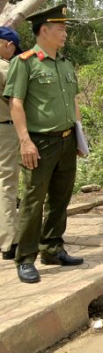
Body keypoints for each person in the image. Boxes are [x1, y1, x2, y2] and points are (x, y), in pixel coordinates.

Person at [3, 5, 85, 283]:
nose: (65, 33)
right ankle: (25, 259)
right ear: (44, 30)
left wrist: (80, 136)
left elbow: (74, 102)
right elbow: (16, 103)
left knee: (60, 198)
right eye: (60, 28)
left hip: (66, 140)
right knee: (33, 201)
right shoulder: (24, 62)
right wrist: (25, 142)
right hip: (39, 143)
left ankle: (52, 248)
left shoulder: (65, 63)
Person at [0, 27, 23, 261]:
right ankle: (10, 242)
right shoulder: (5, 68)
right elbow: (17, 99)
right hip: (5, 128)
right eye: (13, 48)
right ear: (7, 44)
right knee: (7, 183)